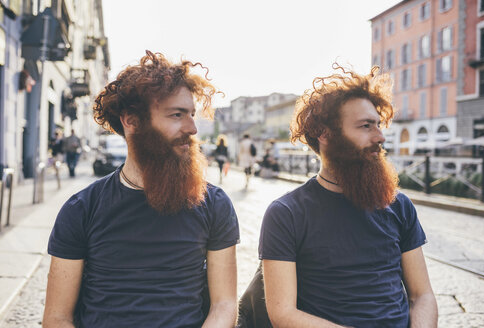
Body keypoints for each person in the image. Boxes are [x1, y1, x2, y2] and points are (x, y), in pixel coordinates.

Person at [43, 51, 240, 328]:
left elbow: (224, 305)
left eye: (192, 114)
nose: (192, 128)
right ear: (131, 120)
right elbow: (57, 318)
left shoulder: (214, 204)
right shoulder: (82, 209)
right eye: (177, 115)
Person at [259, 65, 438, 327]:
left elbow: (422, 296)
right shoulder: (286, 213)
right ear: (325, 133)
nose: (380, 137)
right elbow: (283, 314)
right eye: (366, 126)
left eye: (378, 125)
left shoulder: (398, 205)